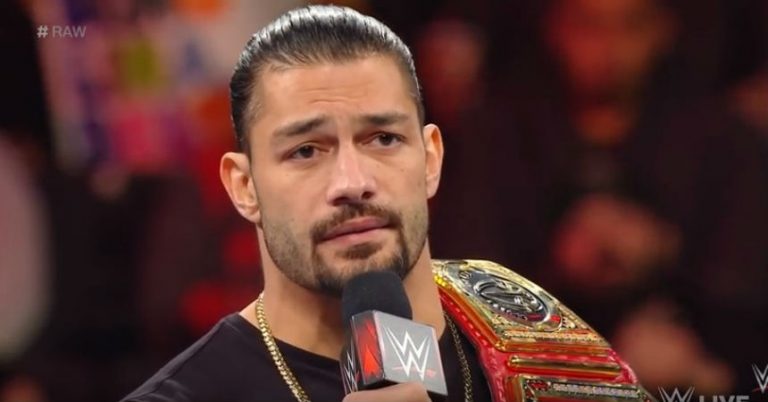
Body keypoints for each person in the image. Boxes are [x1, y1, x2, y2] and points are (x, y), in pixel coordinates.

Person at [121, 6, 652, 402]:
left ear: (430, 160)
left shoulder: (529, 329)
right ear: (244, 186)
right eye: (306, 150)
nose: (353, 182)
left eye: (383, 139)